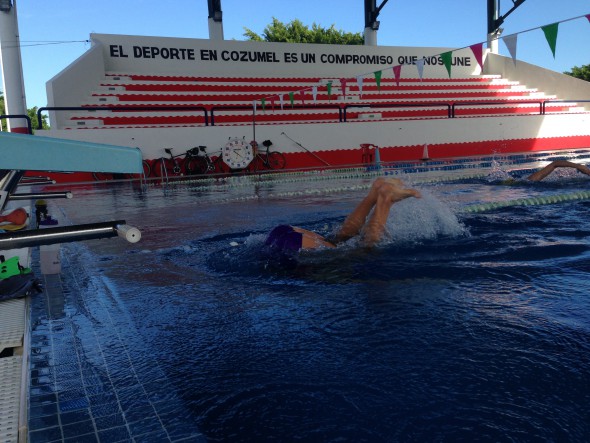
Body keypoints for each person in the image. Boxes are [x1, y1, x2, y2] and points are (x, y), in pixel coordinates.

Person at [264, 178, 422, 256]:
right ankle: (377, 194)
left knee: (362, 249)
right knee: (344, 242)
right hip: (281, 233)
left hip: (288, 244)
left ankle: (384, 198)